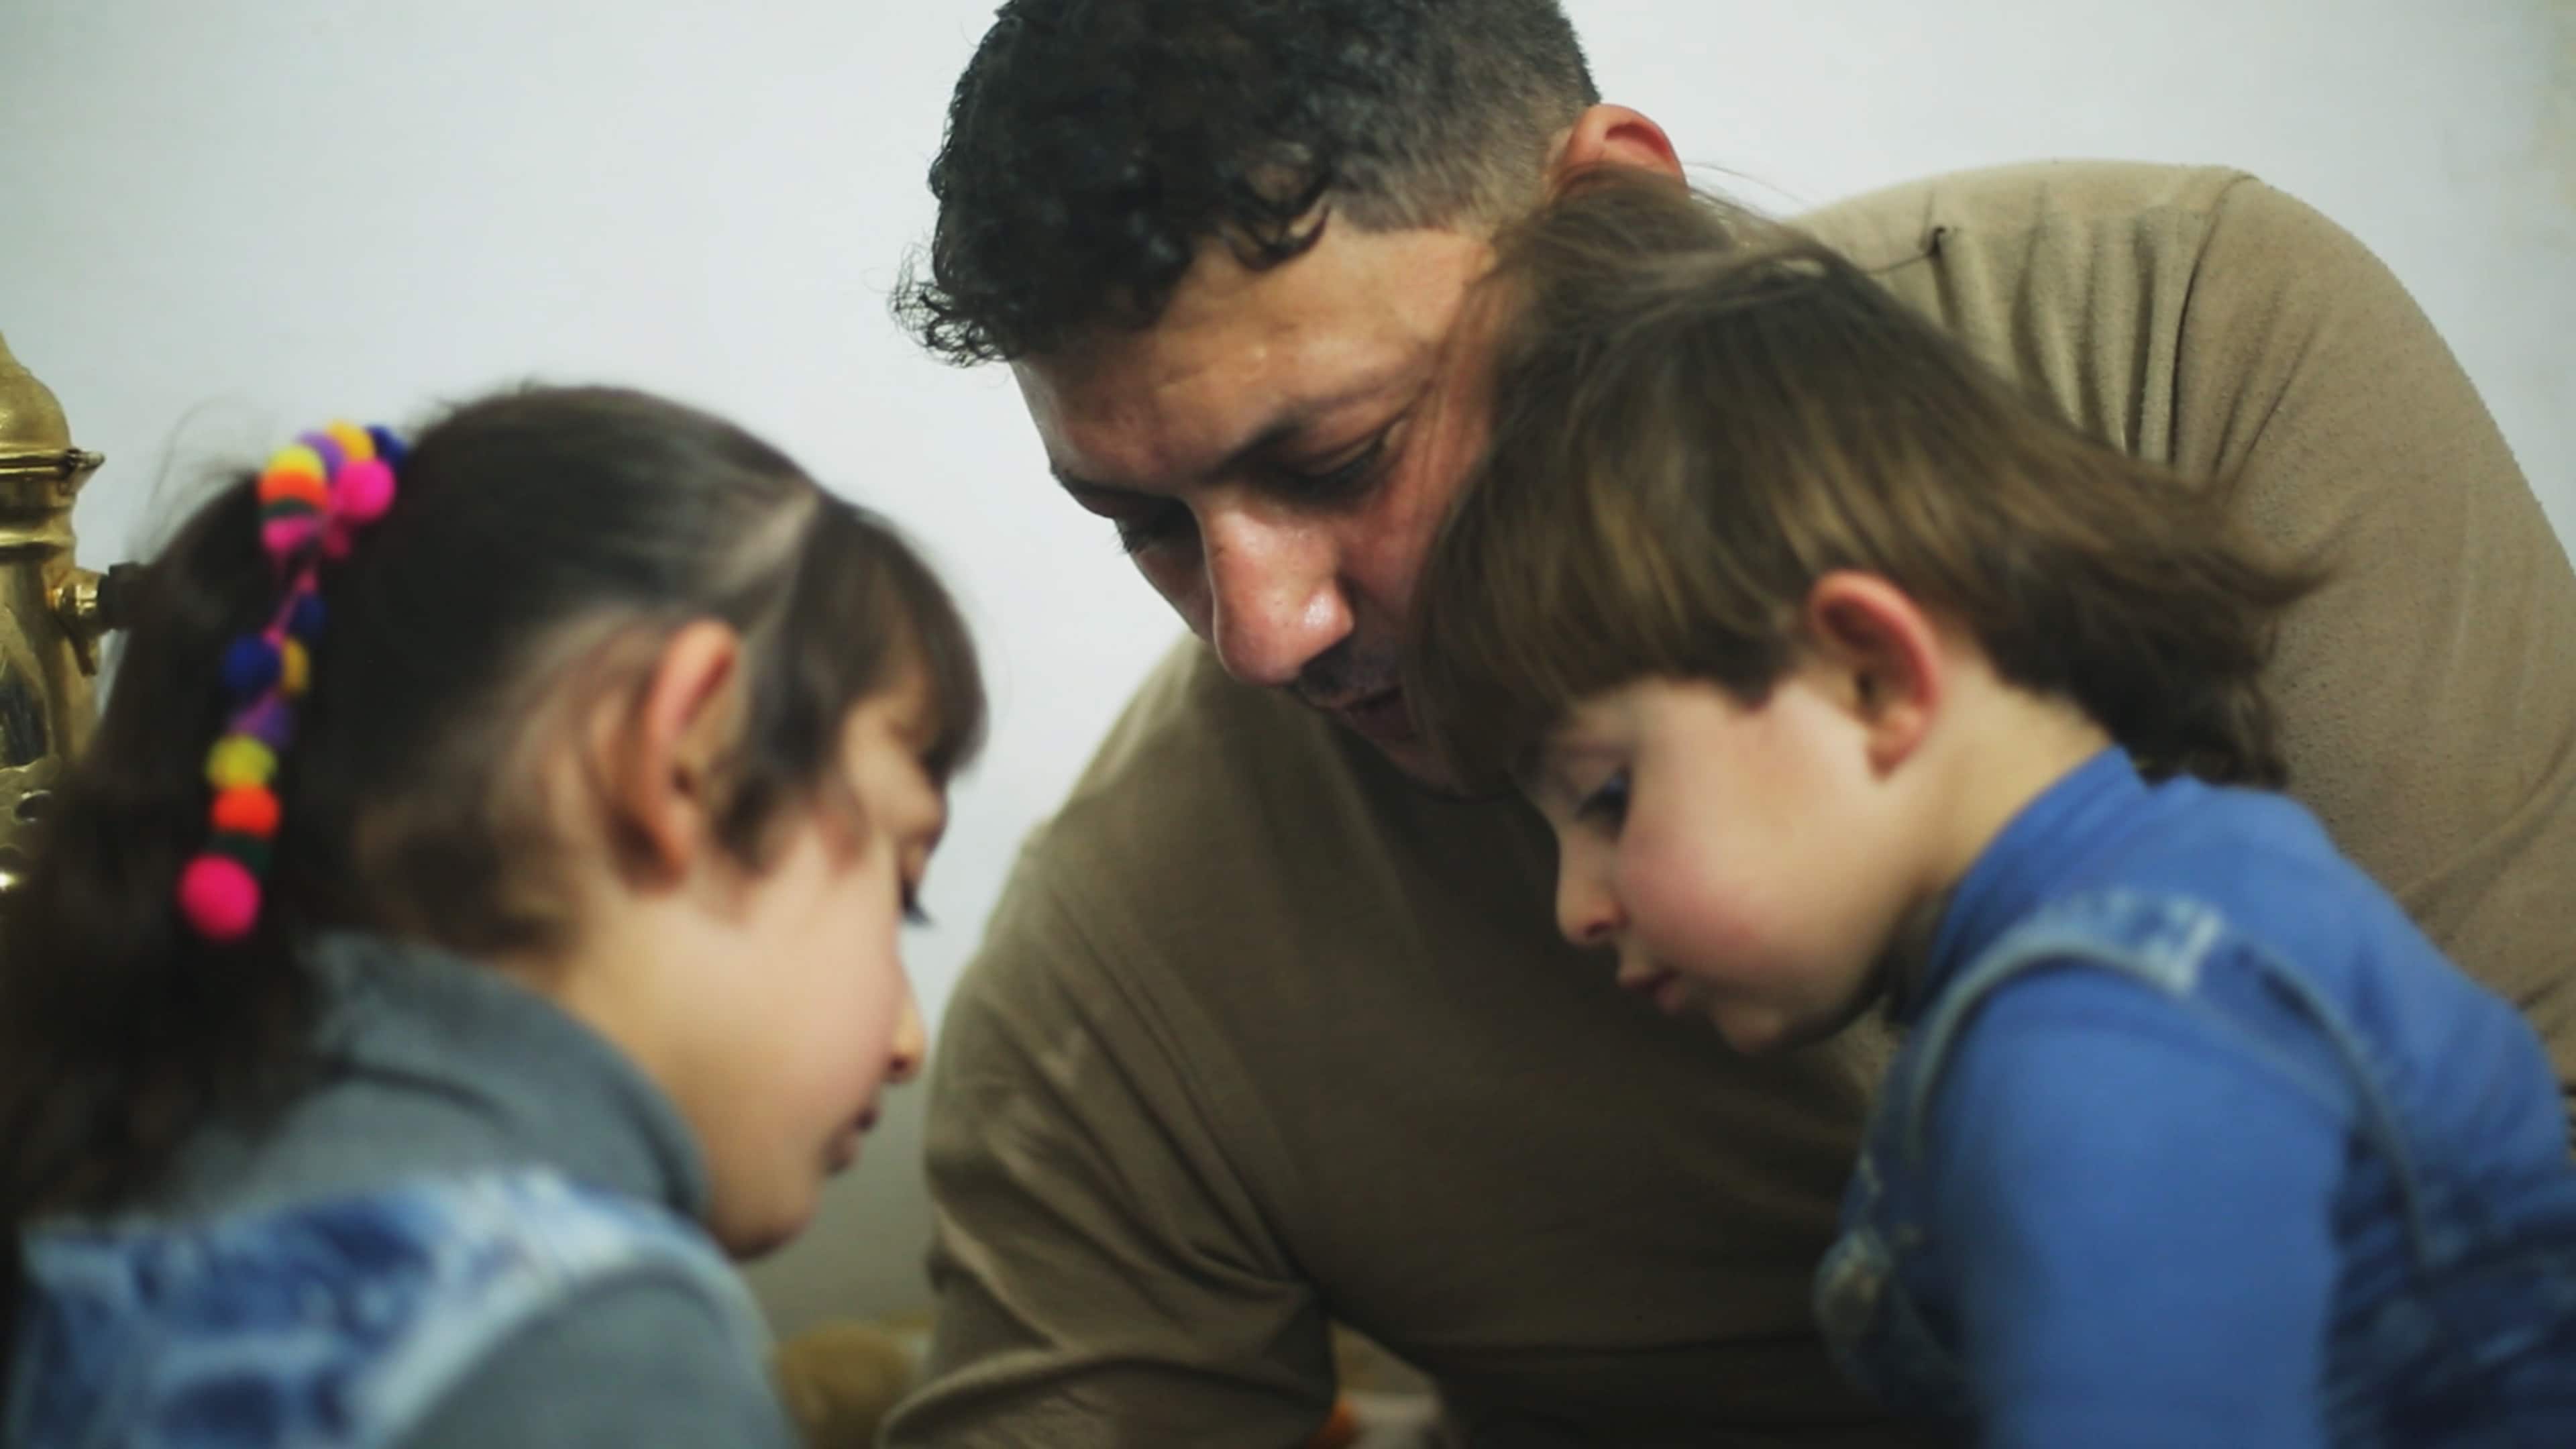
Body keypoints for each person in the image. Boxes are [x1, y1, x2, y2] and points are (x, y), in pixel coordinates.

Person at [886, 2, 2576, 1442]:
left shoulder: (2179, 335)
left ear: (1613, 215)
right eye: (1143, 524)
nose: (1263, 636)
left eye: (1341, 457)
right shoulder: (1120, 973)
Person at [1400, 169, 2576, 1448]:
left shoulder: (2109, 1046)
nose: (1574, 906)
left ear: (1871, 677)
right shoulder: (2208, 889)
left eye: (1610, 797)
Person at [0, 386, 985, 1448]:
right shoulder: (590, 1352)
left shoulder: (104, 1209)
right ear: (684, 757)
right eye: (901, 885)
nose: (906, 1040)